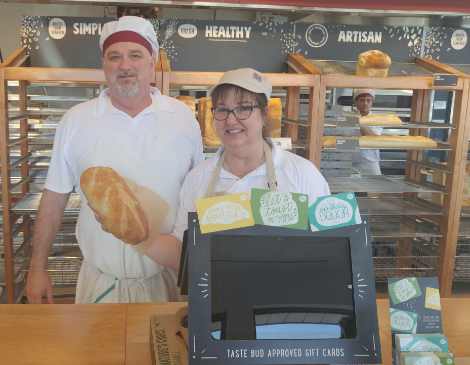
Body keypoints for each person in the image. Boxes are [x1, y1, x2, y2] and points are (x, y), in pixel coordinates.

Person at [26, 16, 203, 304]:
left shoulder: (182, 118)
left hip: (168, 283)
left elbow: (199, 197)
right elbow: (54, 198)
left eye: (135, 55)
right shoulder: (76, 120)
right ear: (103, 64)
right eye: (114, 57)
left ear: (152, 62)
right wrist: (37, 268)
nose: (125, 65)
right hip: (101, 286)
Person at [148, 68, 331, 265]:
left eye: (244, 108)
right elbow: (183, 253)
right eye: (222, 109)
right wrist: (136, 237)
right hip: (216, 294)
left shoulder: (303, 174)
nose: (231, 120)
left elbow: (330, 246)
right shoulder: (198, 178)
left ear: (264, 115)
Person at [351, 89, 383, 176]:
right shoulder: (348, 117)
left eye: (368, 101)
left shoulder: (377, 119)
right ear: (356, 102)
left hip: (370, 164)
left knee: (374, 189)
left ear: (371, 103)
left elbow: (373, 139)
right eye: (362, 100)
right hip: (350, 164)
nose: (365, 103)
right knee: (350, 189)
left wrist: (358, 120)